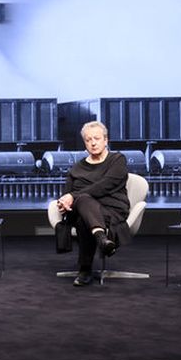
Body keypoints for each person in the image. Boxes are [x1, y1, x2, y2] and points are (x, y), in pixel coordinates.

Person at [54, 121, 132, 286]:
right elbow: (66, 194)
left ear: (106, 140)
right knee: (83, 204)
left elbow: (106, 185)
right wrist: (64, 201)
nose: (93, 143)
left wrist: (73, 196)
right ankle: (101, 238)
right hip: (84, 210)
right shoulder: (76, 167)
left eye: (97, 138)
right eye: (88, 139)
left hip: (112, 210)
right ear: (85, 143)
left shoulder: (117, 159)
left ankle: (85, 270)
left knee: (83, 212)